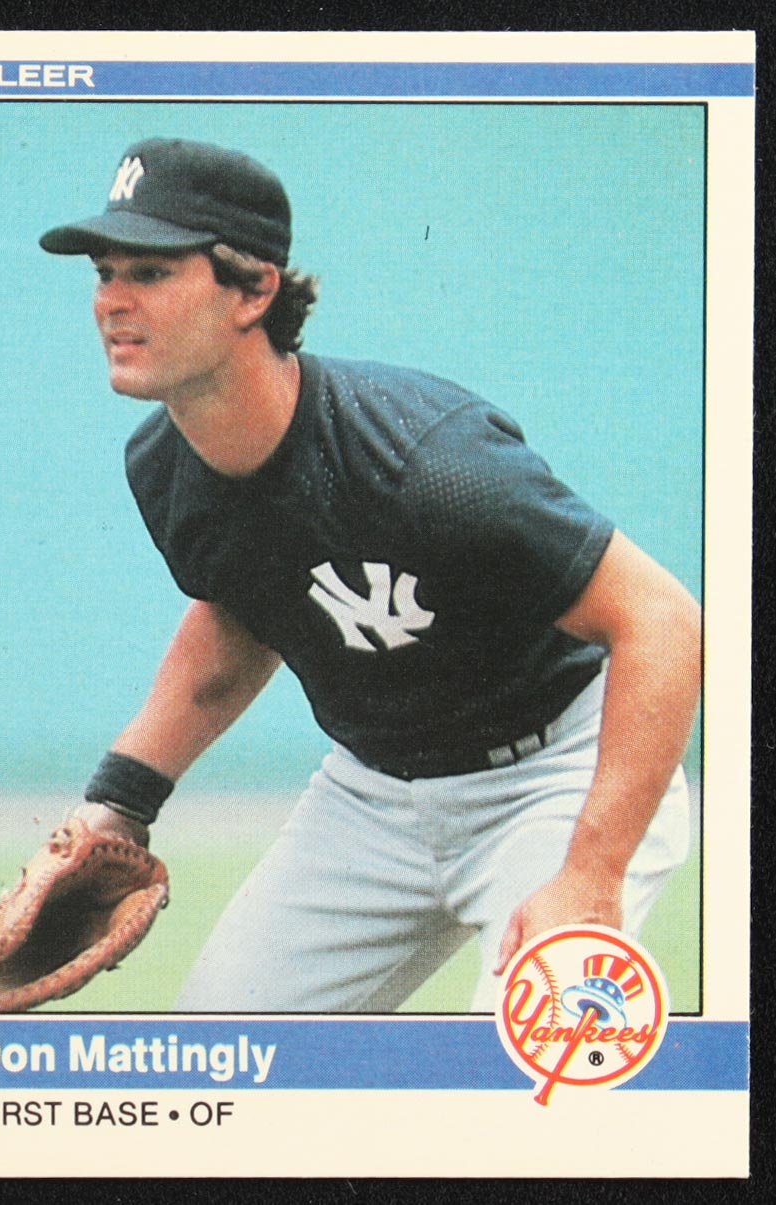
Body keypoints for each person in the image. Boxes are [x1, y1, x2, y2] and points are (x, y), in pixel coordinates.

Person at [38, 137, 701, 1012]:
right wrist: (119, 801)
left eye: (151, 272)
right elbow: (238, 622)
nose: (112, 301)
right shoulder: (163, 465)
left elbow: (662, 619)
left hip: (552, 777)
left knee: (525, 1060)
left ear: (254, 289)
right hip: (372, 797)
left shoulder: (425, 459)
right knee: (222, 1052)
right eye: (104, 273)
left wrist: (591, 872)